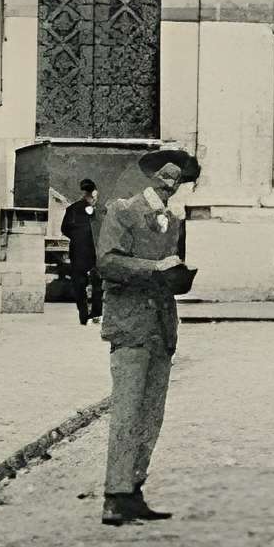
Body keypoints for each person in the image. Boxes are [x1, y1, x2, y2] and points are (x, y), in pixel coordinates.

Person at [95, 147, 200, 526]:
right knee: (126, 411)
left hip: (161, 327)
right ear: (151, 176)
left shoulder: (172, 221)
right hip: (129, 324)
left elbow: (166, 269)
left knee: (151, 414)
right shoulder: (122, 210)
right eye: (166, 177)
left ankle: (133, 490)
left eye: (179, 180)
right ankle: (114, 495)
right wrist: (156, 268)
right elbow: (107, 262)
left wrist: (177, 278)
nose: (171, 185)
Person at [61, 179, 104, 327]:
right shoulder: (97, 212)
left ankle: (84, 316)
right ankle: (97, 314)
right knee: (98, 283)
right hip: (94, 252)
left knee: (79, 284)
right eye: (95, 197)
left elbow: (64, 229)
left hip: (78, 251)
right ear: (91, 194)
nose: (95, 200)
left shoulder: (72, 209)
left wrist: (76, 237)